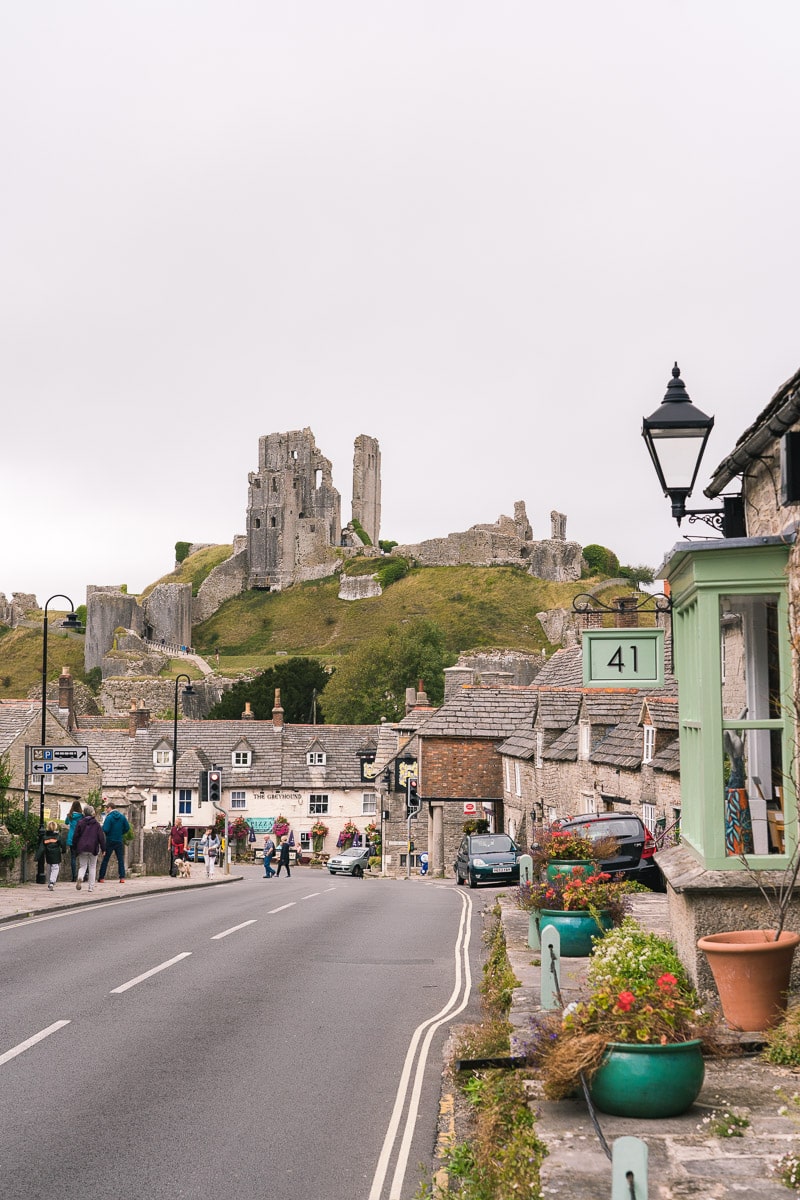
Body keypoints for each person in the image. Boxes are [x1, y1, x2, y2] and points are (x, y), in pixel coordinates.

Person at [74, 804, 106, 892]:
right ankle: (91, 887)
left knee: (83, 866)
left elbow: (76, 836)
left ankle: (80, 877)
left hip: (82, 847)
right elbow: (101, 837)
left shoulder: (80, 822)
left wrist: (74, 847)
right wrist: (103, 849)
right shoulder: (96, 824)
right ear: (92, 813)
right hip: (93, 847)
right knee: (92, 866)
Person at [98, 801, 131, 883]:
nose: (106, 810)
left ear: (110, 808)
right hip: (119, 840)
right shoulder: (122, 817)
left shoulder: (109, 817)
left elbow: (105, 829)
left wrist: (108, 833)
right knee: (120, 859)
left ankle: (101, 877)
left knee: (106, 859)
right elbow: (127, 827)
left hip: (110, 840)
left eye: (107, 808)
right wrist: (120, 833)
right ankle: (122, 878)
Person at [39, 821, 65, 890]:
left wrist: (37, 856)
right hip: (56, 854)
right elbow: (62, 844)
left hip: (48, 854)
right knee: (55, 868)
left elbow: (41, 847)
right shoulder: (57, 836)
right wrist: (63, 850)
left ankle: (49, 881)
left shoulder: (45, 837)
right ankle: (52, 882)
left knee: (49, 867)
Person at [64, 799, 84, 882]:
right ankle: (83, 874)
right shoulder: (82, 816)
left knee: (73, 857)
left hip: (72, 837)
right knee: (83, 857)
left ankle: (74, 876)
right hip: (80, 838)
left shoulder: (70, 815)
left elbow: (66, 823)